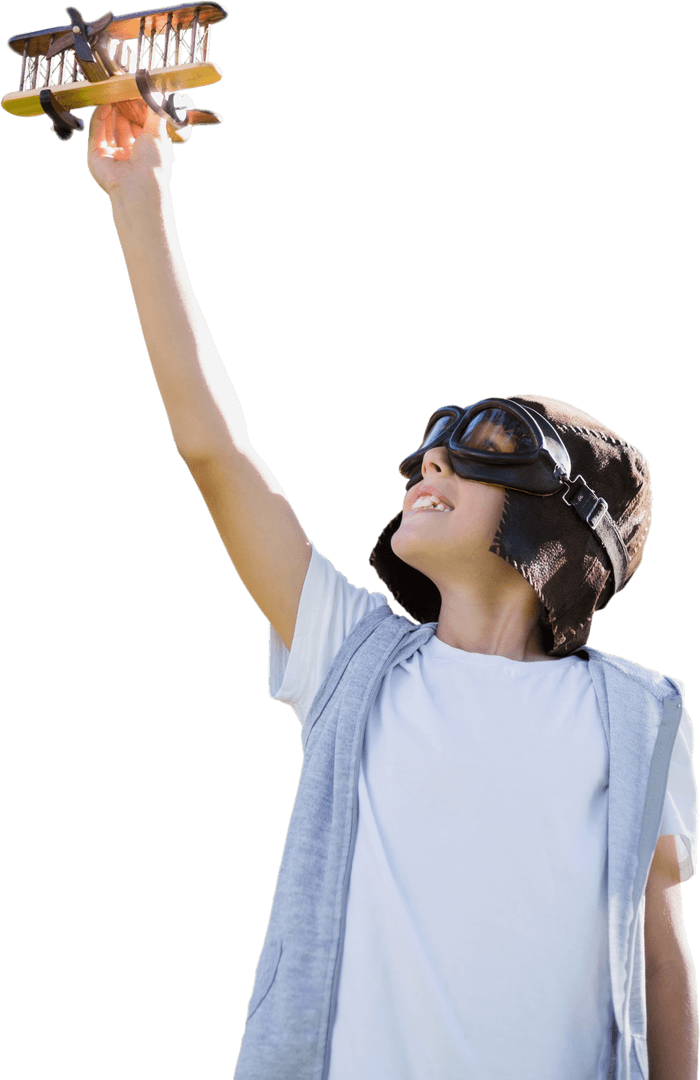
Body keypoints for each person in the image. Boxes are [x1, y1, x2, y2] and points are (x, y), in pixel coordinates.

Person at [88, 101, 698, 1080]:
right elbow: (216, 451)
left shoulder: (636, 717)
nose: (429, 464)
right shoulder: (349, 656)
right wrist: (140, 196)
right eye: (430, 448)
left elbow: (660, 959)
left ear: (565, 524)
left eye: (485, 447)